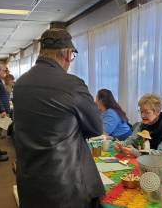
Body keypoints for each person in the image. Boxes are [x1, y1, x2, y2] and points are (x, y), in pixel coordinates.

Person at [13, 28, 104, 208]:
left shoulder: (20, 83)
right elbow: (96, 129)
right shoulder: (72, 84)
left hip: (29, 176)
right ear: (69, 54)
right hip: (65, 183)